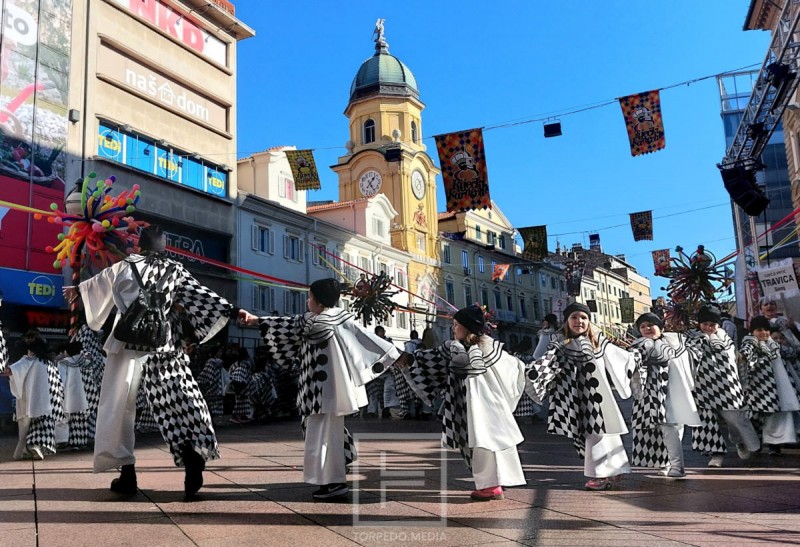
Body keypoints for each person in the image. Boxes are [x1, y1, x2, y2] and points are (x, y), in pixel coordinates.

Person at [63, 225, 234, 498]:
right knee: (177, 398)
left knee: (118, 408)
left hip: (127, 342)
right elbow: (201, 296)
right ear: (163, 247)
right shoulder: (175, 270)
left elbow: (97, 287)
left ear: (139, 246)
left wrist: (78, 291)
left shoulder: (125, 266)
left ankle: (127, 474)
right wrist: (233, 311)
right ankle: (191, 451)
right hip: (162, 342)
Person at [238, 278, 402, 500]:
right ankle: (329, 480)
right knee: (320, 436)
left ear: (319, 300)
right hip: (321, 391)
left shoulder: (335, 321)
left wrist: (395, 355)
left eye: (310, 297)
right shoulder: (315, 321)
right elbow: (290, 324)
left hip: (327, 391)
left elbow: (368, 341)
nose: (307, 301)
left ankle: (334, 482)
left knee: (325, 437)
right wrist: (257, 320)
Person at [400, 305, 526, 501]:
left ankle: (490, 486)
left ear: (467, 327)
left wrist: (408, 360)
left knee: (479, 443)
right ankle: (496, 483)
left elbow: (428, 360)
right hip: (495, 406)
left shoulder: (457, 349)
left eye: (456, 324)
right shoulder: (493, 348)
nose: (453, 328)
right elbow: (515, 369)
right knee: (493, 444)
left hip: (472, 407)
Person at [526, 302, 634, 491]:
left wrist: (637, 357)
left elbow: (622, 358)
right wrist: (530, 374)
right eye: (574, 317)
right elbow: (546, 362)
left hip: (600, 396)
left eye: (583, 318)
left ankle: (600, 474)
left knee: (601, 433)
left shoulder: (598, 340)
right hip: (576, 396)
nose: (579, 321)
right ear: (567, 321)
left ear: (589, 321)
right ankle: (614, 469)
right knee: (595, 433)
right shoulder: (561, 343)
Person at [686, 304, 760, 467]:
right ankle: (716, 455)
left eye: (712, 324)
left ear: (718, 324)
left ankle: (739, 441)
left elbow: (736, 362)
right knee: (707, 422)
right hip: (703, 386)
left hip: (728, 386)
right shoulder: (693, 340)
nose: (708, 327)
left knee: (735, 418)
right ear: (699, 324)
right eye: (705, 324)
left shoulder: (728, 341)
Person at [628, 313, 700, 478]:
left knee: (670, 428)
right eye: (643, 326)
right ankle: (666, 462)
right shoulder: (639, 345)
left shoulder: (675, 343)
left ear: (660, 327)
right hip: (648, 394)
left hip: (671, 392)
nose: (647, 328)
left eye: (651, 324)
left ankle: (677, 466)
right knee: (661, 429)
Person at [739, 316, 800, 455]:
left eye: (766, 330)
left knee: (775, 416)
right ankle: (754, 442)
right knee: (755, 416)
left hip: (779, 388)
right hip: (757, 387)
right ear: (753, 331)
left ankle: (774, 444)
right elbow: (745, 353)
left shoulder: (774, 344)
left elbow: (792, 353)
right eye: (759, 330)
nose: (763, 333)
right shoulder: (750, 343)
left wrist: (786, 337)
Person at [4, 331, 65, 460]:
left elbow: (10, 371)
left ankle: (25, 450)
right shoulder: (49, 364)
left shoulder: (27, 361)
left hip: (28, 402)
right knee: (41, 427)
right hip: (47, 404)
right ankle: (26, 450)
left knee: (24, 430)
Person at [56, 341, 90, 450]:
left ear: (67, 351)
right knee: (81, 419)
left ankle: (63, 441)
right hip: (86, 394)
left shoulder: (64, 362)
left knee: (64, 417)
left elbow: (61, 379)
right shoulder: (87, 362)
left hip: (69, 393)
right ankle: (80, 441)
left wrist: (59, 392)